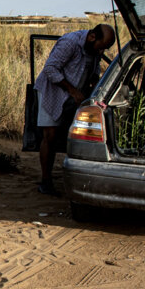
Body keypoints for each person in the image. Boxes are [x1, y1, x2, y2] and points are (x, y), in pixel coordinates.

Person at [34, 23, 115, 196]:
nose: (102, 51)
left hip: (75, 95)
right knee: (50, 135)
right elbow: (50, 69)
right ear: (92, 37)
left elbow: (92, 72)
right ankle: (46, 181)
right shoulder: (70, 42)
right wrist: (72, 90)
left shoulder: (94, 50)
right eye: (102, 47)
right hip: (53, 91)